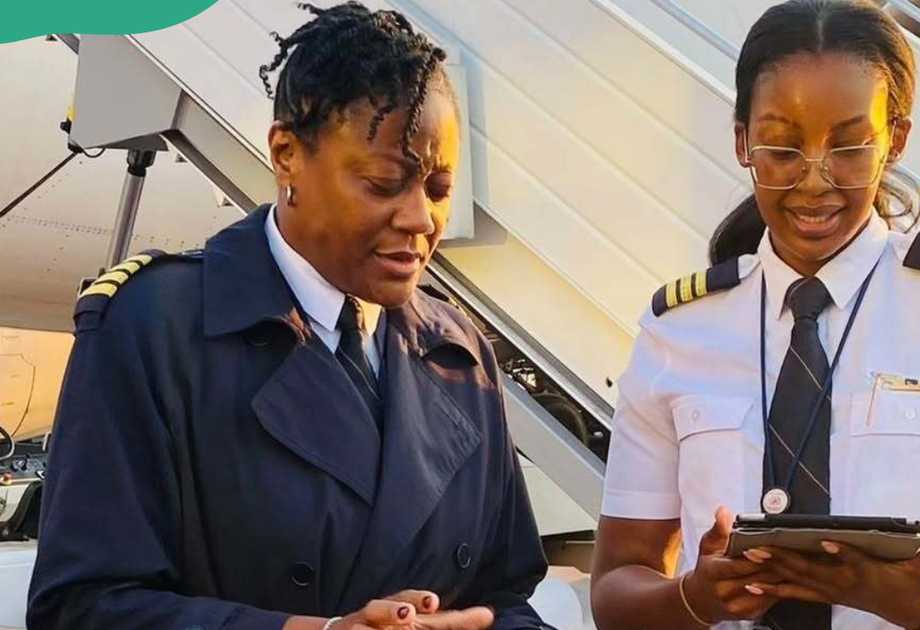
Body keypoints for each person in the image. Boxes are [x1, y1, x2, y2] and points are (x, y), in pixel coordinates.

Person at [27, 4, 550, 629]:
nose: (421, 219)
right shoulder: (153, 329)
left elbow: (510, 596)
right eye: (385, 183)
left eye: (438, 190)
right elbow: (80, 607)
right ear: (286, 155)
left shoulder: (460, 350)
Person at [590, 1, 920, 629]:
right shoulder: (678, 329)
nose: (814, 180)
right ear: (742, 139)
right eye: (781, 146)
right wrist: (695, 597)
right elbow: (616, 583)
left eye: (850, 146)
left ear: (896, 140)